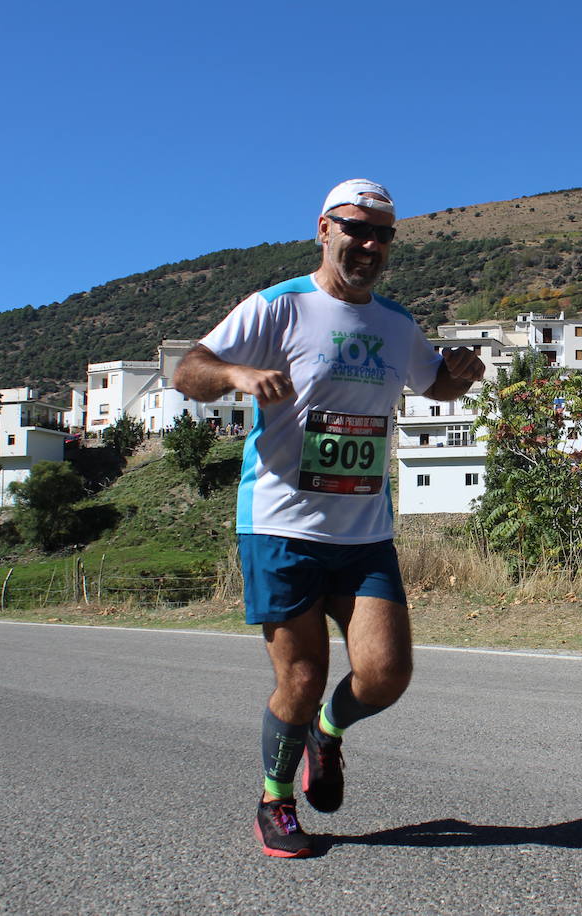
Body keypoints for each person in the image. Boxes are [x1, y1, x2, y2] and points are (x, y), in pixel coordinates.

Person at [172, 179, 484, 858]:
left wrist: (462, 372)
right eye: (356, 229)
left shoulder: (397, 323)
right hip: (281, 524)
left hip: (364, 529)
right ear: (324, 229)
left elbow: (435, 382)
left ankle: (328, 733)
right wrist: (237, 377)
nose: (368, 244)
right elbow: (187, 371)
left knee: (386, 674)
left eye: (382, 235)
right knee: (303, 675)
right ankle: (275, 802)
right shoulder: (279, 307)